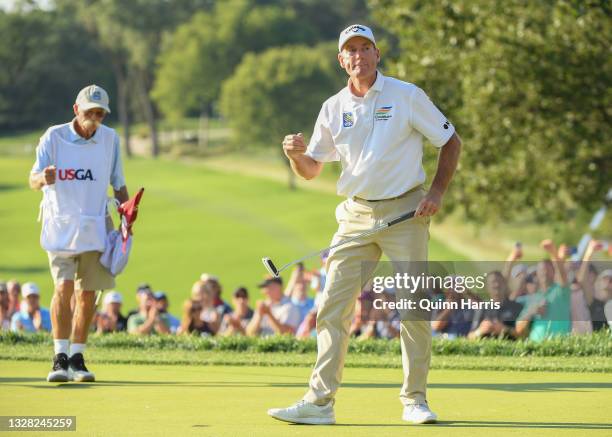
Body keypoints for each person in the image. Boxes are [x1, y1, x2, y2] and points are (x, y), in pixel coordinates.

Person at [268, 24, 461, 425]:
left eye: (364, 48)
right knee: (331, 307)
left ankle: (415, 400)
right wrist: (294, 156)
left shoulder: (407, 95)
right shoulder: (333, 107)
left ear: (377, 54)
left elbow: (450, 141)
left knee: (412, 308)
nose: (358, 56)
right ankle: (320, 403)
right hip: (355, 215)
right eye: (350, 51)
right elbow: (311, 169)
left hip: (407, 211)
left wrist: (437, 193)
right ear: (341, 60)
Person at [30, 85, 129, 383]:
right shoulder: (54, 136)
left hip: (97, 224)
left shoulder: (110, 139)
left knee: (88, 295)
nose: (94, 119)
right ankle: (59, 357)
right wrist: (41, 178)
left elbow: (118, 183)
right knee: (64, 289)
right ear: (76, 110)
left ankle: (77, 357)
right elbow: (33, 178)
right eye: (89, 112)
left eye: (100, 114)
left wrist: (127, 216)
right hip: (60, 225)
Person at [515, 240, 571, 341]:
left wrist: (553, 252)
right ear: (537, 274)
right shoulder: (533, 298)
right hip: (536, 347)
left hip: (560, 346)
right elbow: (518, 328)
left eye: (548, 269)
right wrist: (532, 312)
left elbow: (562, 273)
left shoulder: (561, 291)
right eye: (541, 269)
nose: (544, 272)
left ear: (554, 272)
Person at [467, 271, 523, 340]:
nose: (497, 285)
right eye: (493, 282)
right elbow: (470, 336)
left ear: (505, 285)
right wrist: (480, 331)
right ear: (487, 287)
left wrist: (504, 329)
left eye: (499, 282)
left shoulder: (517, 307)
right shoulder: (482, 308)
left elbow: (523, 335)